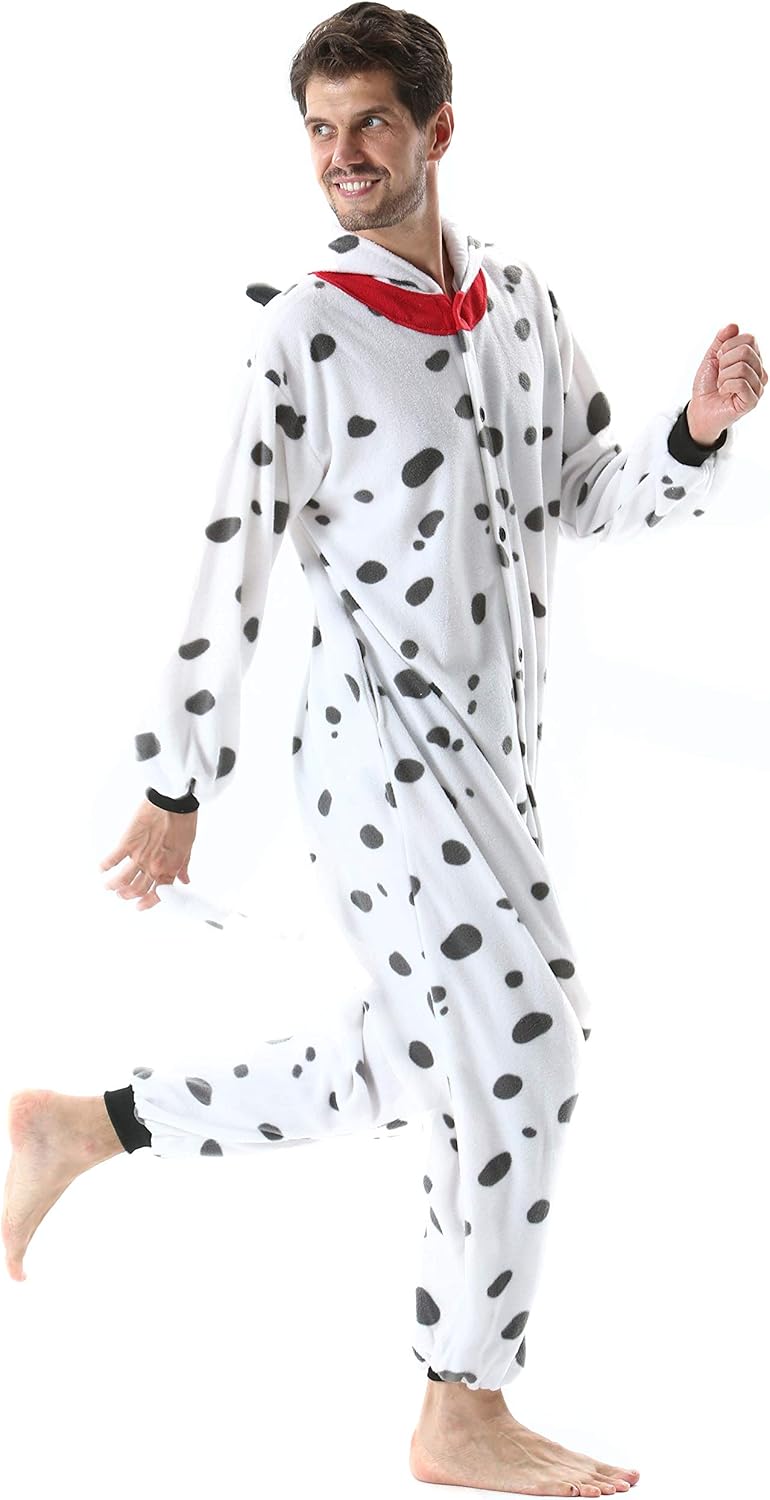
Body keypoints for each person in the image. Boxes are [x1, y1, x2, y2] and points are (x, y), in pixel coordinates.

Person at [3, 4, 765, 1495]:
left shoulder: (519, 301)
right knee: (527, 1036)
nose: (342, 155)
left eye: (369, 124)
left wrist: (692, 427)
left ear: (437, 130)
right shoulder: (304, 330)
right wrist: (176, 781)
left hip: (498, 759)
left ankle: (85, 1128)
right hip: (377, 758)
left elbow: (583, 493)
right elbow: (226, 556)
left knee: (425, 1052)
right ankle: (459, 1403)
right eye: (320, 130)